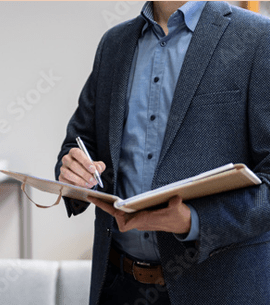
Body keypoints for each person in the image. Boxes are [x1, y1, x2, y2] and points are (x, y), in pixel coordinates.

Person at [55, 1, 270, 304]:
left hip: (215, 288)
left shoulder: (259, 38)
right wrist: (72, 172)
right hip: (117, 285)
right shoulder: (114, 44)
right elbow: (77, 144)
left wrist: (194, 220)